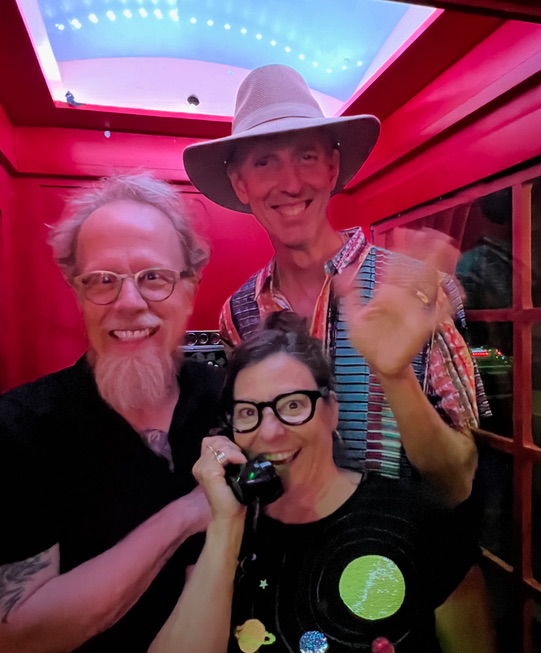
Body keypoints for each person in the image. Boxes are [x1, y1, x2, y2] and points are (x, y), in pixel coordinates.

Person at [144, 313, 523, 653]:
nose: (270, 430)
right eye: (248, 413)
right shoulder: (220, 540)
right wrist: (229, 525)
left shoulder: (414, 523)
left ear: (331, 409)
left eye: (293, 405)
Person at [0, 174, 221, 653]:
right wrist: (186, 514)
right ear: (75, 290)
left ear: (191, 285)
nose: (128, 303)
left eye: (154, 278)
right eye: (102, 280)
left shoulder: (232, 406)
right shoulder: (15, 431)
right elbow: (17, 640)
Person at [183, 64, 488, 505]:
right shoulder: (237, 313)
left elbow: (459, 482)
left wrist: (395, 375)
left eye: (306, 155)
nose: (290, 183)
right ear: (240, 183)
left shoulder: (413, 286)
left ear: (332, 168)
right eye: (265, 161)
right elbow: (261, 453)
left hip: (401, 557)